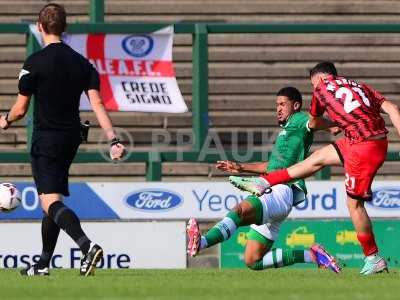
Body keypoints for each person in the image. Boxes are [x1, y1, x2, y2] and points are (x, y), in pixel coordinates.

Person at [229, 61, 400, 275]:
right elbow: (392, 108)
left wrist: (333, 123)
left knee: (354, 205)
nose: (313, 88)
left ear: (318, 79)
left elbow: (313, 121)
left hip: (363, 147)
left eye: (312, 83)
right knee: (316, 158)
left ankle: (373, 257)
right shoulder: (360, 86)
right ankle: (265, 181)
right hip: (366, 140)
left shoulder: (321, 88)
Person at [0, 3, 125, 276]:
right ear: (64, 28)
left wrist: (5, 119)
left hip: (46, 140)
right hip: (71, 139)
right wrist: (113, 140)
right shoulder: (82, 63)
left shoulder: (34, 62)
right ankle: (43, 264)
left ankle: (87, 246)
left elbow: (20, 109)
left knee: (49, 202)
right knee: (51, 200)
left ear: (40, 26)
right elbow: (97, 103)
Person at [187, 87, 340, 273]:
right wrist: (241, 167)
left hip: (279, 189)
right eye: (277, 105)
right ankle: (313, 255)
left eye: (283, 104)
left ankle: (201, 243)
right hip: (278, 193)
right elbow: (270, 166)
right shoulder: (288, 131)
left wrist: (332, 124)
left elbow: (313, 121)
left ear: (296, 105)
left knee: (239, 211)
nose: (278, 109)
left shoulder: (298, 120)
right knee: (253, 260)